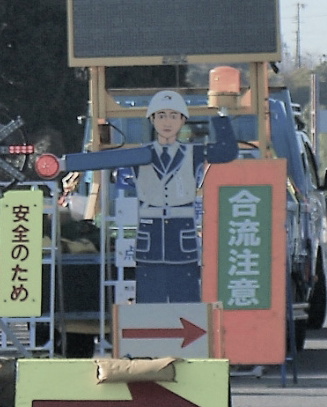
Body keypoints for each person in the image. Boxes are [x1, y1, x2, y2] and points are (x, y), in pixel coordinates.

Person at [62, 89, 237, 303]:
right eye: (161, 116)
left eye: (173, 116)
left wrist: (222, 115)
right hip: (150, 239)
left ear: (183, 120)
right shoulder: (141, 154)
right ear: (152, 120)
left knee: (186, 298)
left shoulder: (192, 153)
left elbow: (226, 151)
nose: (167, 122)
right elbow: (101, 160)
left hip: (182, 237)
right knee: (149, 300)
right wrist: (62, 164)